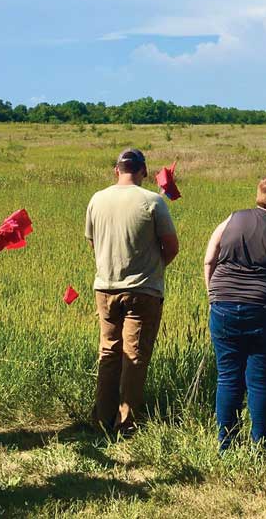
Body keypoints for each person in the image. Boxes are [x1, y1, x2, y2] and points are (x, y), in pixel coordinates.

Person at [84, 148, 179, 436]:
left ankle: (102, 418)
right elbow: (171, 247)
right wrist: (153, 267)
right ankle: (127, 424)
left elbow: (92, 241)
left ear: (116, 170)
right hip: (144, 290)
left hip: (105, 287)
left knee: (109, 352)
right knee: (134, 356)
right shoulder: (153, 201)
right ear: (143, 171)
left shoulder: (97, 199)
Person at [203, 176, 266, 451]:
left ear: (257, 196)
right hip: (265, 312)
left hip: (223, 308)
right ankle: (261, 447)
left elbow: (209, 259)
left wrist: (213, 296)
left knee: (227, 376)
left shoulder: (230, 221)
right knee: (260, 381)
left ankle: (226, 444)